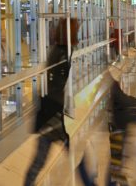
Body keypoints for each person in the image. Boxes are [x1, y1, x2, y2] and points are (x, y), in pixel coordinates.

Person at [24, 19, 95, 186]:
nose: (78, 33)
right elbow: (58, 83)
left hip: (51, 112)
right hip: (52, 114)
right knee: (69, 155)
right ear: (69, 32)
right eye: (76, 30)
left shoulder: (59, 51)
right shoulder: (62, 53)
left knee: (42, 159)